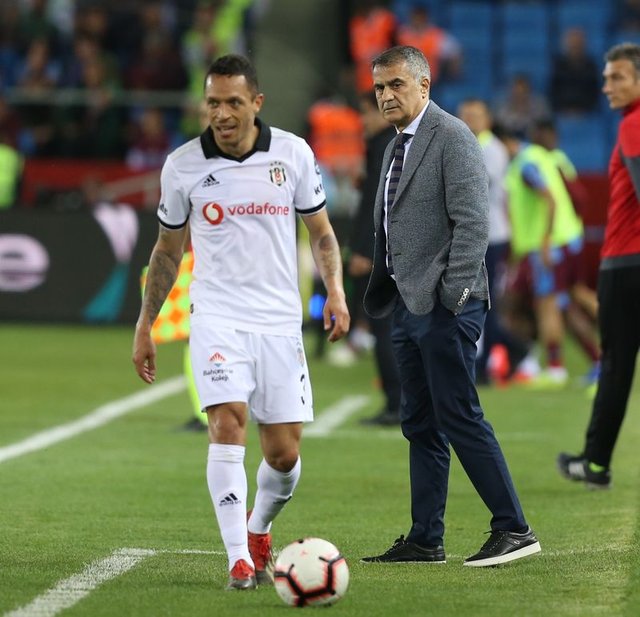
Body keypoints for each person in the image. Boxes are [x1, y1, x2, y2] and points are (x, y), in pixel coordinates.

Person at [132, 54, 350, 590]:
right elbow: (167, 251)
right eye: (213, 103)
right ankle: (238, 560)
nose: (222, 113)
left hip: (279, 321)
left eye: (233, 102)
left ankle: (258, 528)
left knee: (284, 454)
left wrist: (336, 291)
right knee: (227, 423)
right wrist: (145, 323)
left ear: (257, 102)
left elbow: (321, 232)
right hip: (218, 316)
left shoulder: (293, 154)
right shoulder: (183, 165)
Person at [360, 46, 540, 567]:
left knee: (458, 414)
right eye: (379, 87)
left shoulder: (453, 136)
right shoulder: (397, 145)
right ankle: (425, 538)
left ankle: (514, 528)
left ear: (424, 85)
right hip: (407, 303)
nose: (386, 95)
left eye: (396, 84)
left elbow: (473, 224)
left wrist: (452, 297)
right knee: (419, 422)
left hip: (444, 305)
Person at [557, 43, 640, 489]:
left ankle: (595, 463)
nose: (607, 86)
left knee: (616, 367)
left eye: (618, 77)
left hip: (626, 266)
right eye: (606, 77)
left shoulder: (633, 124)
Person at [497, 122, 586, 388]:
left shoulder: (526, 165)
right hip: (548, 243)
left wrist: (545, 241)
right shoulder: (534, 158)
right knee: (565, 300)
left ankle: (555, 368)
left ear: (506, 143)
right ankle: (534, 360)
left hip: (546, 246)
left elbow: (550, 198)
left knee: (548, 306)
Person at [457, 98, 529, 385]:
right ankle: (510, 349)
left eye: (475, 115)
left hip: (491, 235)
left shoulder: (492, 149)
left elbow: (478, 187)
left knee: (482, 301)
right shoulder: (470, 145)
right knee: (477, 300)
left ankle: (485, 364)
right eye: (465, 115)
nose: (470, 120)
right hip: (478, 234)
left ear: (487, 119)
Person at [348, 90, 400, 425]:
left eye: (368, 112)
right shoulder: (389, 145)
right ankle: (400, 402)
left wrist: (366, 251)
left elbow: (377, 206)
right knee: (389, 329)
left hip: (381, 253)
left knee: (385, 329)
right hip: (392, 252)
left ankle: (397, 404)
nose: (363, 120)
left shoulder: (384, 146)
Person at [549, 27, 601, 115]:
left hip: (586, 112)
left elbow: (594, 94)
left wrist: (582, 110)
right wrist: (565, 109)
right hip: (562, 111)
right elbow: (553, 92)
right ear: (567, 45)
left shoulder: (591, 67)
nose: (575, 47)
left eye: (578, 44)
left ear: (584, 45)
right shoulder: (558, 66)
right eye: (573, 45)